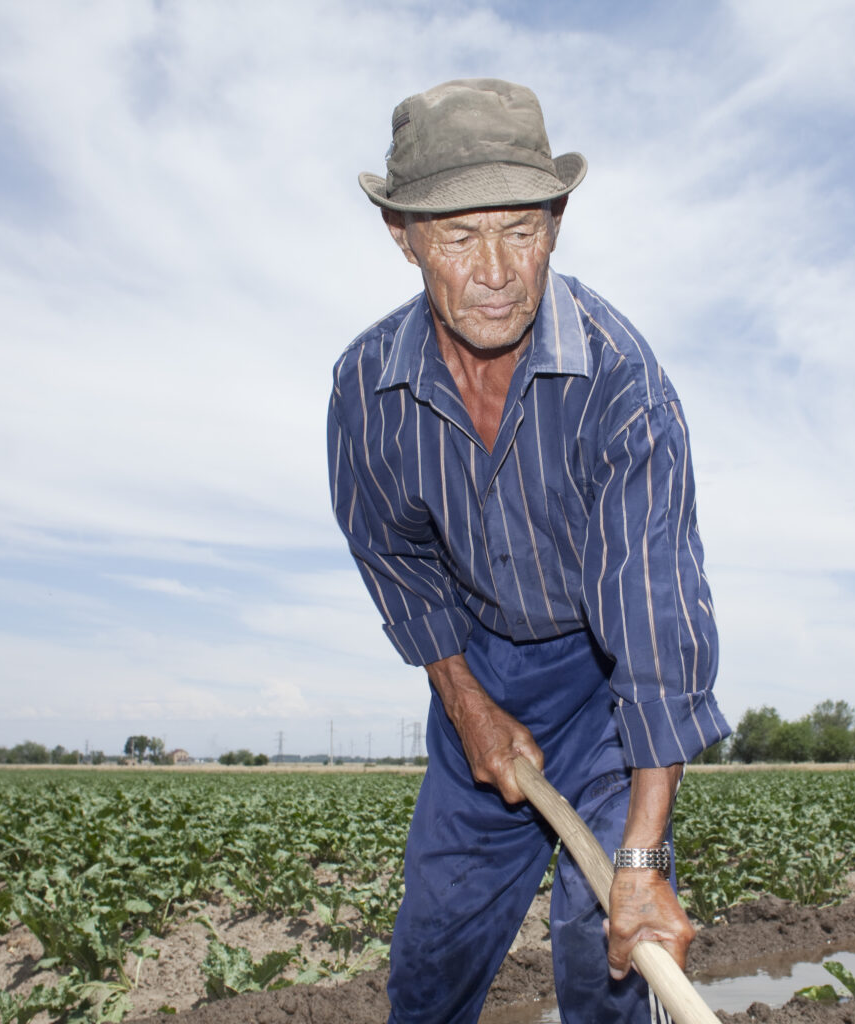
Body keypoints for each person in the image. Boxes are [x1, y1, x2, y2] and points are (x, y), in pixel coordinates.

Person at [327, 78, 729, 1023]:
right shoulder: (365, 392)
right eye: (461, 237)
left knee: (610, 972)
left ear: (557, 222)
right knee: (431, 967)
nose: (498, 269)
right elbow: (396, 559)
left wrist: (638, 861)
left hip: (607, 689)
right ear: (404, 237)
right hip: (480, 675)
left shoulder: (622, 385)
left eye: (521, 229)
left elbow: (656, 632)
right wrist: (465, 702)